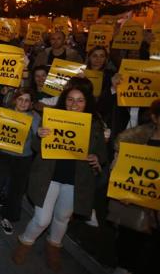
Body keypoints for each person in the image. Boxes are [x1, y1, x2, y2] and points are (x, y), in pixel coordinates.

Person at [13, 82, 107, 271]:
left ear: (86, 103)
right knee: (41, 219)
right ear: (64, 102)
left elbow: (102, 153)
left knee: (62, 217)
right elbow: (36, 148)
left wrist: (97, 158)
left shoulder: (95, 124)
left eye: (80, 101)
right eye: (70, 100)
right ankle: (26, 241)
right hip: (49, 175)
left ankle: (53, 246)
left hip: (76, 180)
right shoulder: (52, 118)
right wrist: (39, 136)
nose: (74, 104)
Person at [0, 88, 40, 235]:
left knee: (16, 190)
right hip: (2, 155)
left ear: (31, 103)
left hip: (23, 158)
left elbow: (38, 139)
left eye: (27, 100)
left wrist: (38, 132)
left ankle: (8, 217)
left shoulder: (35, 117)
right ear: (15, 100)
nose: (23, 103)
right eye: (20, 99)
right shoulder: (3, 112)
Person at [110, 99, 160, 274]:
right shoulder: (134, 139)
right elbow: (120, 168)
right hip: (134, 205)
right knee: (129, 242)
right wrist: (123, 189)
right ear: (155, 118)